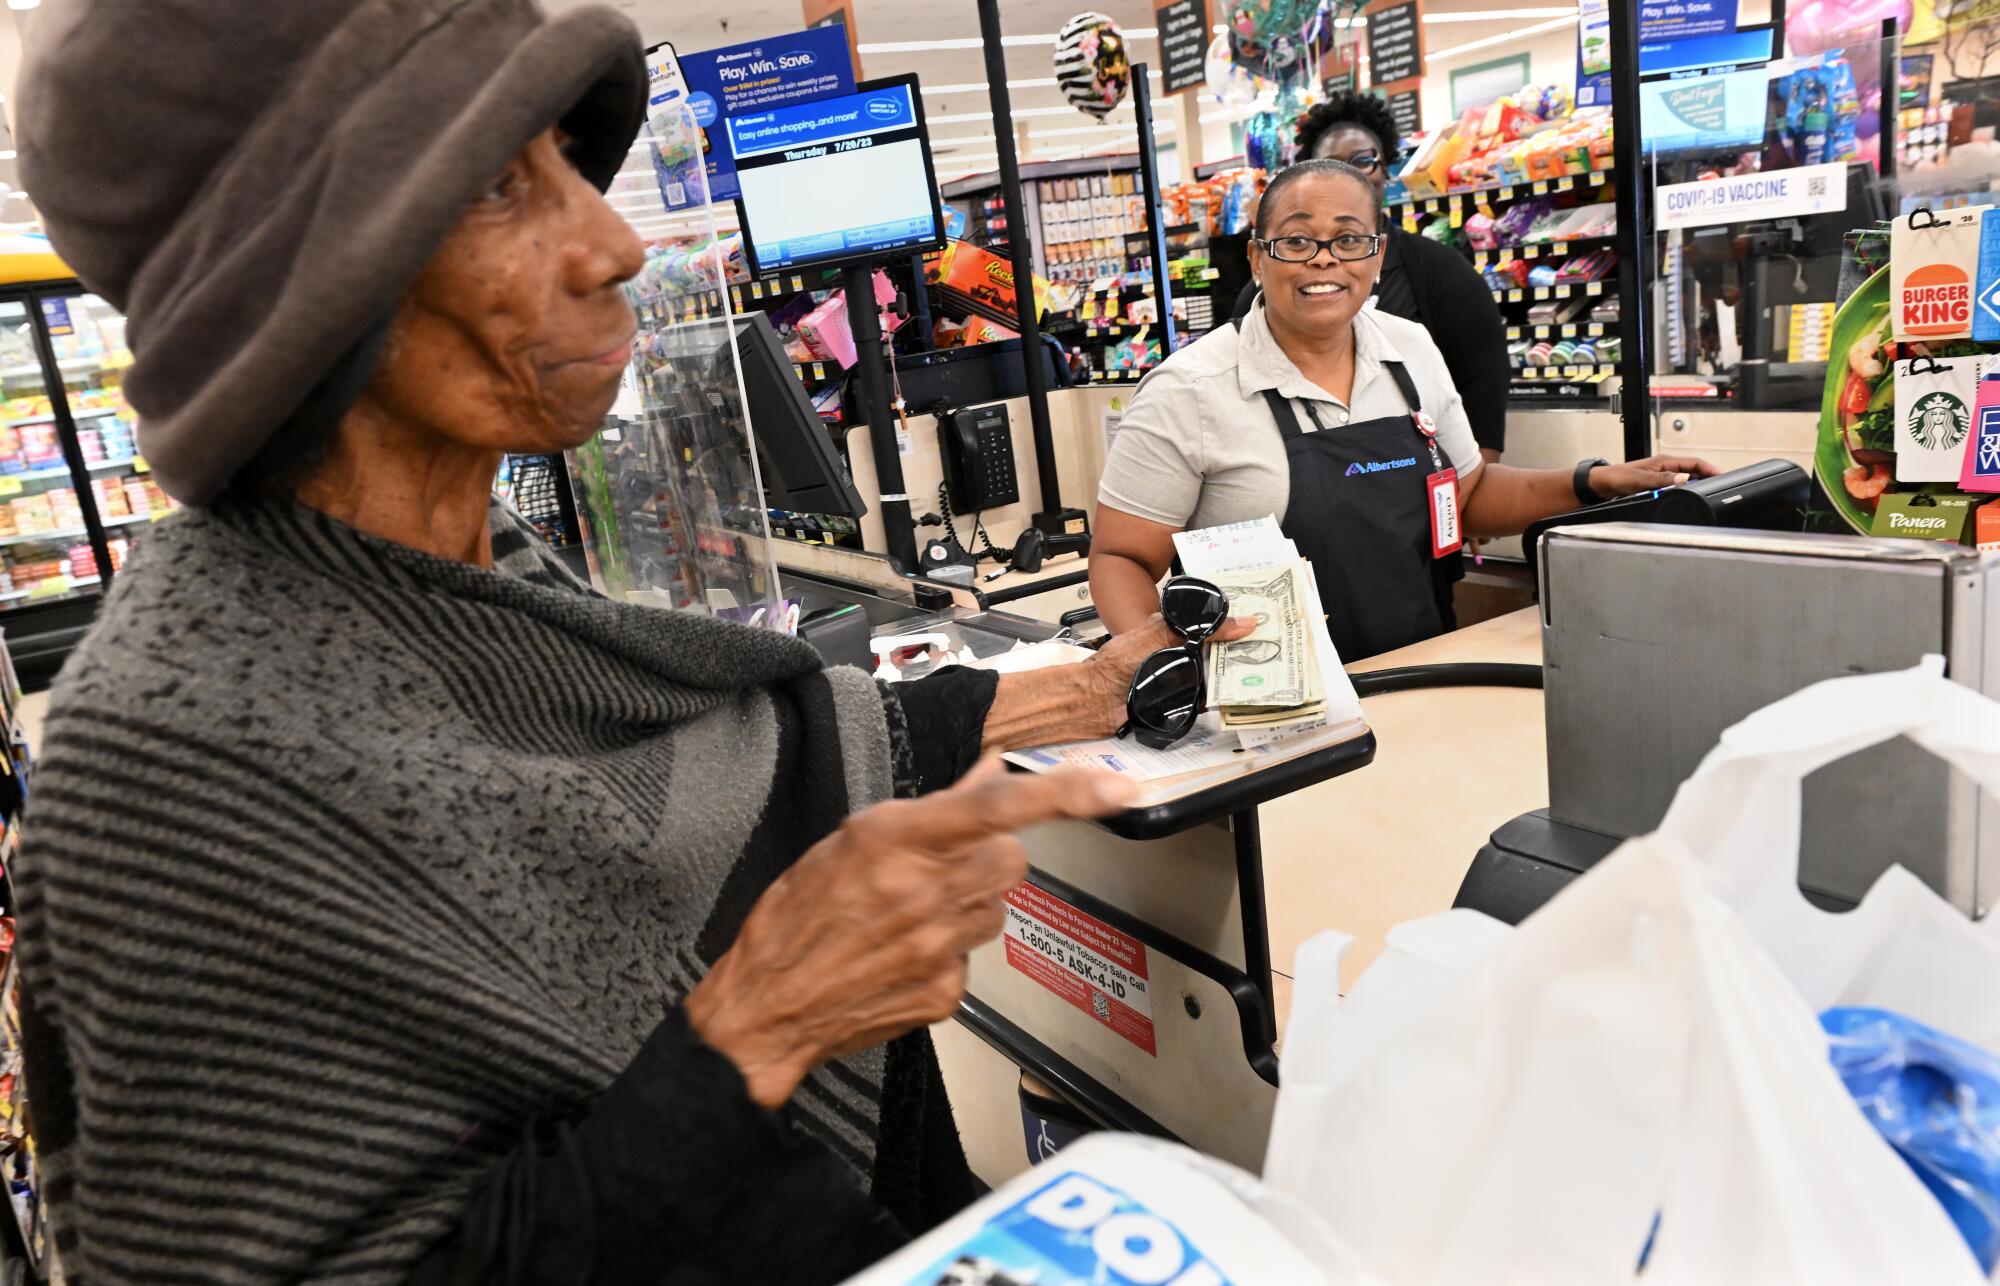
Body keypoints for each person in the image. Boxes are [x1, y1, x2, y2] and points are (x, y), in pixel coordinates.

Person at [9, 3, 1247, 1282]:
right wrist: (761, 1019)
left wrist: (1089, 687)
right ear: (297, 282)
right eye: (497, 186)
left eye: (561, 153)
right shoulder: (171, 767)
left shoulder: (466, 563)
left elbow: (740, 754)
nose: (609, 240)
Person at [1094, 159, 1715, 661]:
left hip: (1418, 666)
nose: (1324, 259)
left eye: (1348, 239)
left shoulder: (1409, 347)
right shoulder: (1190, 389)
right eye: (1296, 240)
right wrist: (1164, 663)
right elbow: (1122, 557)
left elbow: (1465, 496)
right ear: (1257, 257)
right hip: (1263, 709)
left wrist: (1591, 482)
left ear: (1378, 254)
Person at [1233, 92, 1513, 463]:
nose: (1324, 262)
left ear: (1386, 169)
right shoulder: (1266, 290)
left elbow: (1482, 411)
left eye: (1363, 160)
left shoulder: (1444, 277)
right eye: (1331, 163)